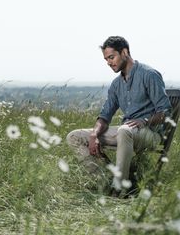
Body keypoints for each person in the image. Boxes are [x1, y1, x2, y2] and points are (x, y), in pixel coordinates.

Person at [66, 36, 172, 196]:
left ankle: (120, 189)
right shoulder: (116, 84)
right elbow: (104, 116)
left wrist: (144, 120)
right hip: (126, 132)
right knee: (74, 136)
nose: (109, 62)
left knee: (124, 130)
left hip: (149, 133)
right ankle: (104, 181)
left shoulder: (149, 74)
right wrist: (94, 134)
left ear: (124, 52)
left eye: (111, 57)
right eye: (106, 59)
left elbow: (165, 112)